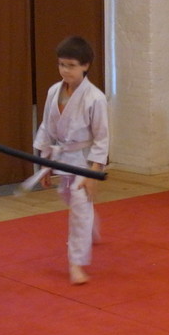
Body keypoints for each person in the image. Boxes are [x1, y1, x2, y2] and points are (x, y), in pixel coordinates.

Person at [33, 36, 109, 285]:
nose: (65, 70)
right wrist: (44, 164)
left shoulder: (95, 98)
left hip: (83, 159)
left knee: (79, 209)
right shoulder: (53, 91)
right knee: (70, 198)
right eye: (61, 64)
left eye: (71, 66)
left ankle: (76, 263)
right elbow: (46, 127)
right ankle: (91, 222)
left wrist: (93, 173)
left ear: (85, 65)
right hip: (61, 156)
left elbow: (101, 138)